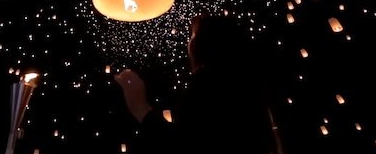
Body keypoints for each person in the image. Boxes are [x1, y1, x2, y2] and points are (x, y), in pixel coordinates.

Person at [114, 13, 280, 153]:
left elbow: (184, 145)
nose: (190, 43)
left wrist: (142, 109)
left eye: (193, 36)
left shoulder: (209, 83)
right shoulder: (251, 87)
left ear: (199, 44)